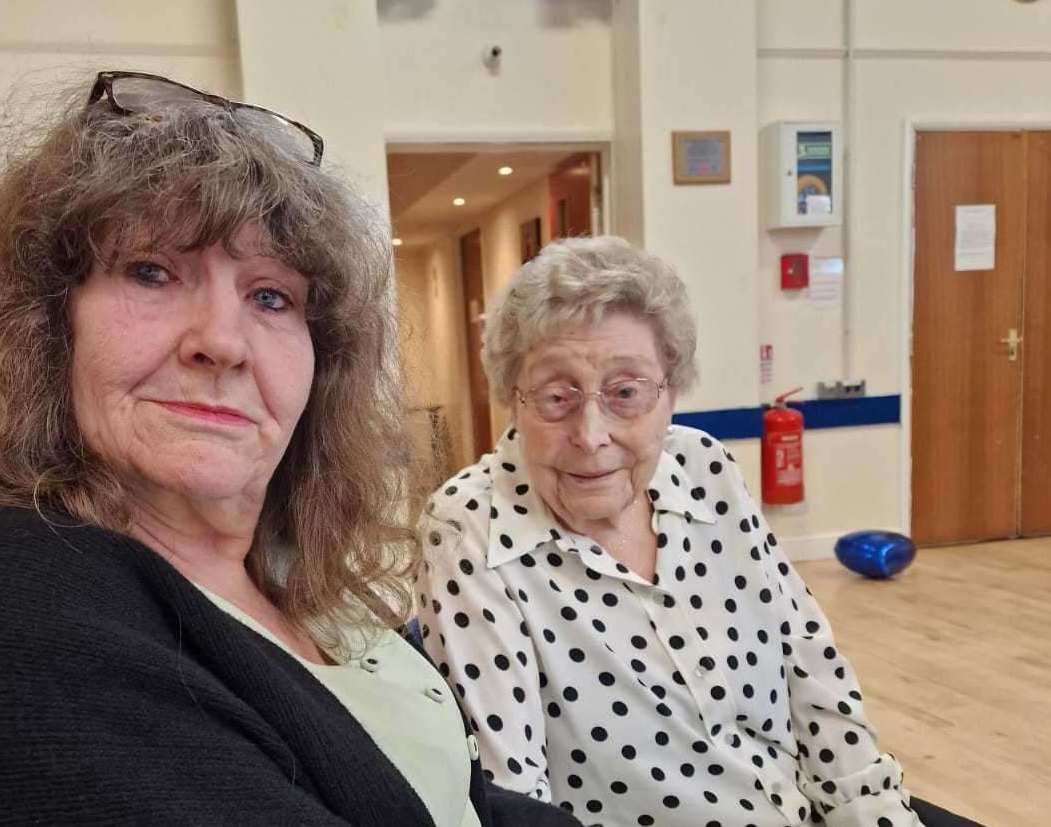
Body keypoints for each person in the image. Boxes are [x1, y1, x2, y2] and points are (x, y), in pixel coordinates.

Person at [0, 70, 578, 827]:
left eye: (271, 296)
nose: (222, 342)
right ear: (41, 327)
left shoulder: (277, 563)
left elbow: (451, 793)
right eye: (152, 272)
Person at [416, 236, 979, 827]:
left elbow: (812, 671)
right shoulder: (468, 528)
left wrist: (874, 811)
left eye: (626, 393)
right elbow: (513, 801)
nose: (591, 433)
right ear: (513, 397)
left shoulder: (704, 468)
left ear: (671, 392)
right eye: (557, 397)